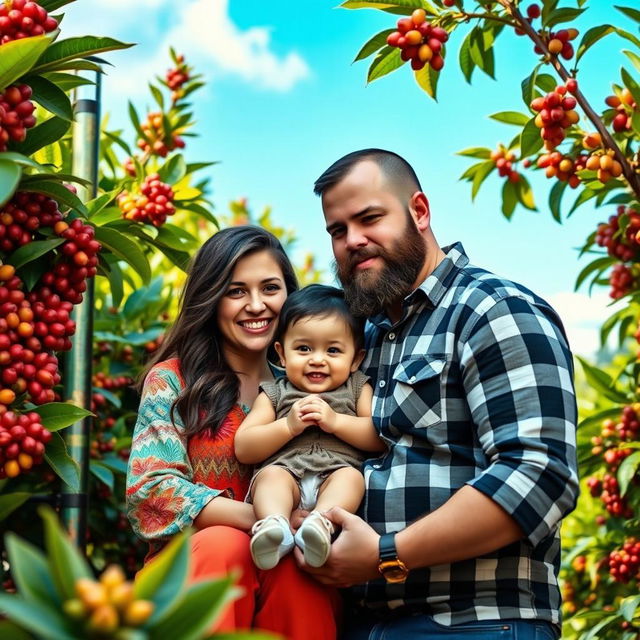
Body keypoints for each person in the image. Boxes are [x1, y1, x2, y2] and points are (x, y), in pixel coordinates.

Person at [300, 149, 579, 640]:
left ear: (420, 212)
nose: (352, 241)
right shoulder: (360, 338)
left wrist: (387, 553)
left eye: (369, 218)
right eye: (337, 231)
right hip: (361, 622)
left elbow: (539, 476)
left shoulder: (494, 310)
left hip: (477, 623)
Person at [126, 226, 339, 639]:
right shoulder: (173, 382)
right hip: (194, 578)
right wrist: (267, 520)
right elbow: (151, 490)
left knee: (299, 569)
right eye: (236, 291)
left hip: (288, 578)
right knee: (227, 544)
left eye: (270, 288)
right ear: (211, 298)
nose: (256, 305)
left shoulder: (314, 388)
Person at [235, 284, 385, 571]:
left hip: (336, 473)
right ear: (281, 354)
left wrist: (336, 421)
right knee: (270, 477)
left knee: (351, 479)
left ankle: (319, 525)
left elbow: (377, 437)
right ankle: (274, 527)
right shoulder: (275, 393)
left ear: (356, 359)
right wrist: (287, 426)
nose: (317, 359)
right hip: (287, 474)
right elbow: (244, 447)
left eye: (333, 350)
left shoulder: (357, 388)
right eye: (303, 348)